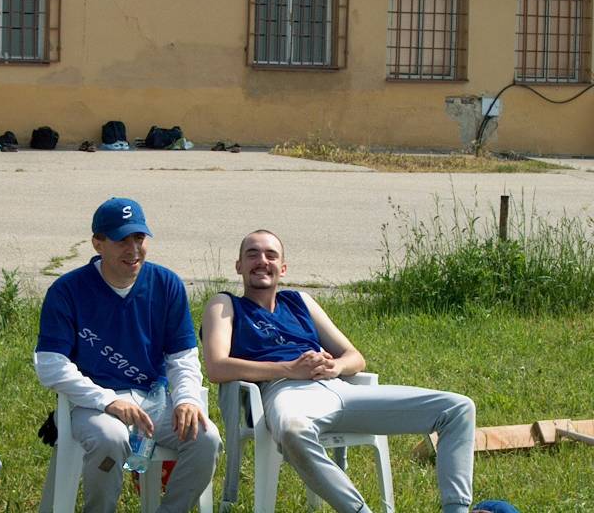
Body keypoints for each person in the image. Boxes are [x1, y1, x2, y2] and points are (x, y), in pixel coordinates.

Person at [201, 230, 476, 513]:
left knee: (457, 408)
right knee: (293, 430)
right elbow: (217, 366)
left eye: (271, 255)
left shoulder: (300, 301)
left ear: (282, 268)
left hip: (339, 389)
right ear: (239, 266)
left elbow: (355, 357)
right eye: (252, 254)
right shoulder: (225, 305)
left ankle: (455, 509)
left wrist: (337, 366)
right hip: (282, 391)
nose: (262, 261)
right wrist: (290, 370)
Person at [35, 197, 221, 513]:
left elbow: (183, 356)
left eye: (139, 238)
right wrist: (108, 400)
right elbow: (50, 365)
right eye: (121, 240)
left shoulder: (167, 284)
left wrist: (187, 399)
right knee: (110, 438)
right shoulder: (67, 291)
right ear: (98, 243)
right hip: (93, 404)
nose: (133, 249)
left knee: (206, 438)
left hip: (154, 401)